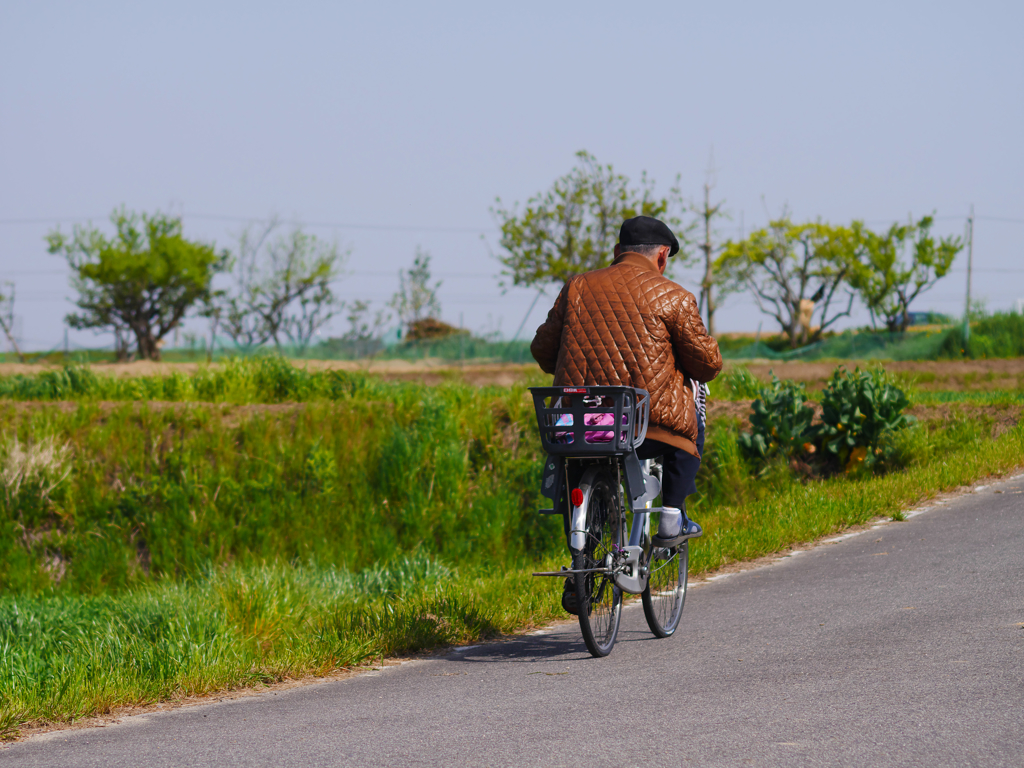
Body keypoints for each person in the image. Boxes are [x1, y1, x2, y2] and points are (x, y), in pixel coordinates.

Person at [530, 215, 723, 614]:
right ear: (662, 256)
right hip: (645, 427)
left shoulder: (576, 287)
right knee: (692, 417)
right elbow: (706, 366)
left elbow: (543, 351)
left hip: (581, 425)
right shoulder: (675, 297)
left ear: (617, 252)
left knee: (577, 463)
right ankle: (671, 515)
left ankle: (582, 560)